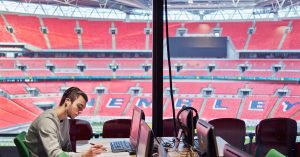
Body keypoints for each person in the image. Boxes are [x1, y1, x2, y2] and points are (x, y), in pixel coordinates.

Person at [25, 87, 105, 157]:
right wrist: (82, 155)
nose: (80, 111)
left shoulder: (64, 119)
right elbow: (55, 155)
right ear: (67, 101)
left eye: (82, 109)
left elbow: (67, 147)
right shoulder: (47, 121)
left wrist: (88, 152)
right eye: (79, 106)